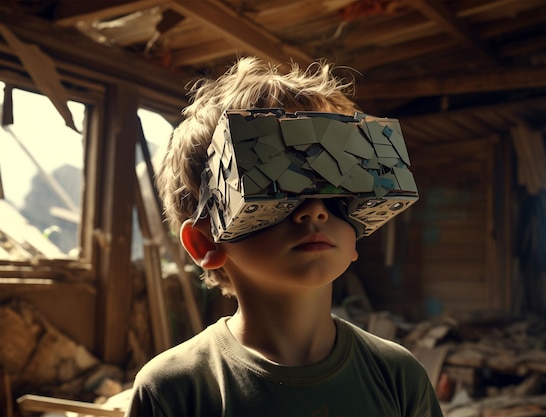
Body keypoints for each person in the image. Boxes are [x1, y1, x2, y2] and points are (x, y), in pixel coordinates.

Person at [125, 56, 443, 417]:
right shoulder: (174, 390)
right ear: (206, 242)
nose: (315, 210)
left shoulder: (399, 376)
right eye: (277, 186)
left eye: (338, 190)